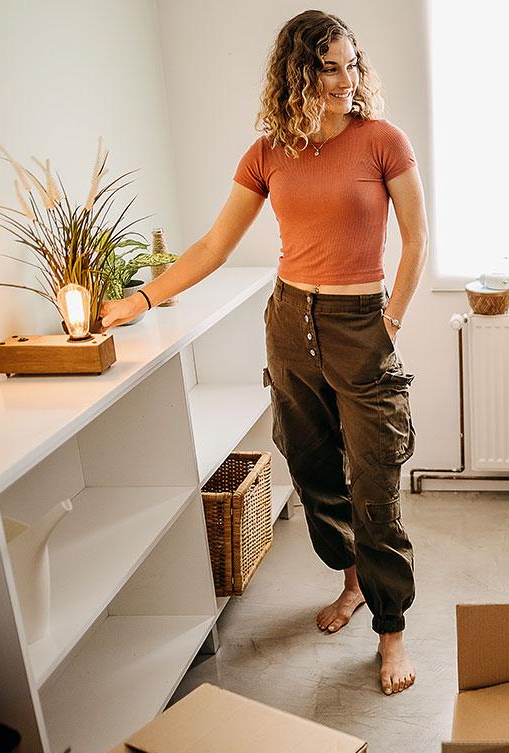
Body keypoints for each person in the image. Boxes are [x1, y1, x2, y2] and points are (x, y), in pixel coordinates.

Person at [100, 9, 427, 695]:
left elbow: (417, 241)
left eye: (353, 63)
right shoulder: (267, 152)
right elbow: (214, 247)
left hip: (358, 321)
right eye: (331, 66)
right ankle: (352, 584)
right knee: (311, 470)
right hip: (288, 321)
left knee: (375, 480)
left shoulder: (382, 141)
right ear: (298, 73)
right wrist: (140, 300)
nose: (348, 78)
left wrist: (389, 320)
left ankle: (391, 629)